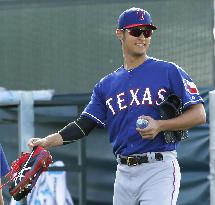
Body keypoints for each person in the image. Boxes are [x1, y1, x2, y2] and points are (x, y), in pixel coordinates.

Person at [27, 7, 206, 205]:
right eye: (135, 31)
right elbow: (83, 125)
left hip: (159, 167)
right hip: (124, 172)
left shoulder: (168, 71)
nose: (142, 37)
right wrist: (46, 141)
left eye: (147, 32)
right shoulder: (106, 85)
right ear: (119, 34)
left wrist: (160, 125)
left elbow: (199, 114)